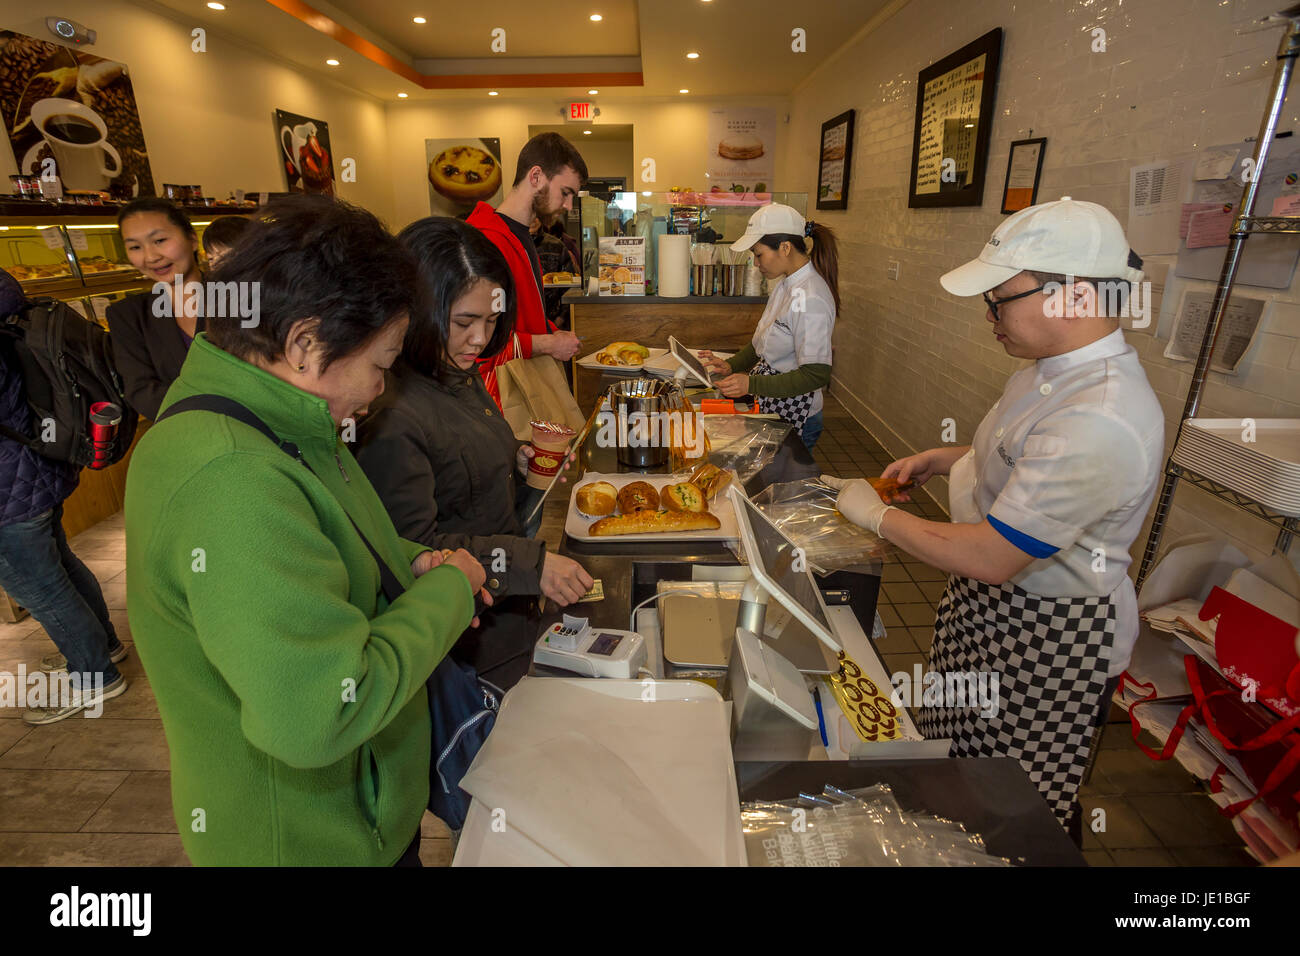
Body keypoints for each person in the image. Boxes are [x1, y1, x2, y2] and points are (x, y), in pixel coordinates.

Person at [124, 196, 491, 866]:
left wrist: (407, 562)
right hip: (308, 843)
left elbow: (327, 537)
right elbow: (319, 715)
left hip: (361, 818)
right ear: (304, 342)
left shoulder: (274, 411)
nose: (381, 389)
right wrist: (452, 591)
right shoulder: (230, 477)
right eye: (380, 364)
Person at [825, 198, 1163, 838]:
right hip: (987, 612)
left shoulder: (1102, 413)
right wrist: (952, 458)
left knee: (1008, 806)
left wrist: (872, 517)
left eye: (1000, 298)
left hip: (1044, 637)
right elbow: (1025, 456)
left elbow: (993, 554)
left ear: (1075, 295)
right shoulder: (1052, 375)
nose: (988, 315)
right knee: (953, 769)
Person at [357, 217, 593, 690]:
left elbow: (462, 474)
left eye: (491, 321)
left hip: (508, 620)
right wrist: (532, 564)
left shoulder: (455, 373)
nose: (481, 340)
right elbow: (414, 552)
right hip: (464, 652)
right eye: (465, 322)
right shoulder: (390, 412)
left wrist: (517, 460)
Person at [0, 268, 128, 724]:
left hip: (8, 489)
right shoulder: (10, 307)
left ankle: (95, 676)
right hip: (32, 470)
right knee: (60, 566)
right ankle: (105, 645)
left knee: (41, 587)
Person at [699, 203, 839, 450]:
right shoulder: (785, 285)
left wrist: (750, 384)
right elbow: (762, 343)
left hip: (798, 414)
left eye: (759, 253)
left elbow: (817, 373)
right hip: (773, 403)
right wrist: (732, 365)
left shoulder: (811, 297)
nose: (755, 263)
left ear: (785, 247)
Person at [467, 132, 587, 406]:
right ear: (535, 177)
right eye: (565, 193)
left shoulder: (521, 236)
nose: (568, 206)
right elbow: (478, 341)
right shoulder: (486, 240)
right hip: (498, 396)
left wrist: (551, 332)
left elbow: (521, 315)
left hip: (523, 382)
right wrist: (548, 344)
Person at [107, 198, 205, 421]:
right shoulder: (127, 315)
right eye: (135, 247)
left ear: (192, 239)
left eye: (160, 240)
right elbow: (141, 391)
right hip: (185, 434)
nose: (151, 257)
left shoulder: (238, 297)